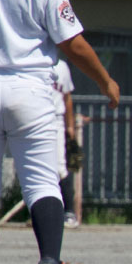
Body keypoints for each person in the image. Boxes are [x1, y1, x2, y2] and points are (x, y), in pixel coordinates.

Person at [0, 0, 119, 264]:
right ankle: (50, 263)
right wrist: (105, 80)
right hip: (31, 94)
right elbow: (73, 44)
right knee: (42, 184)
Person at [52, 59, 80, 228]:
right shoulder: (28, 62)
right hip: (31, 119)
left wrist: (70, 126)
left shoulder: (61, 66)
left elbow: (67, 97)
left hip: (55, 120)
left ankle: (69, 211)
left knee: (61, 167)